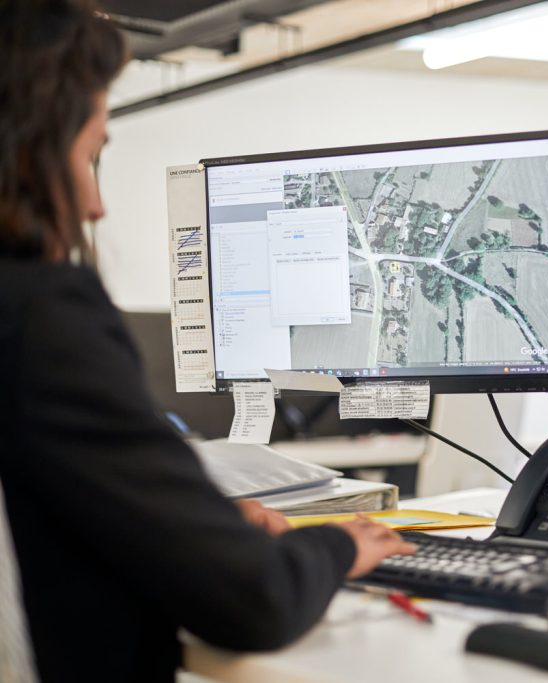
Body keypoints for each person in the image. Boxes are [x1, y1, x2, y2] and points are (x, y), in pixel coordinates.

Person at [0, 2, 415, 681]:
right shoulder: (41, 316)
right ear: (25, 153)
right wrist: (339, 545)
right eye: (88, 155)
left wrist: (194, 526)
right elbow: (254, 600)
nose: (96, 204)